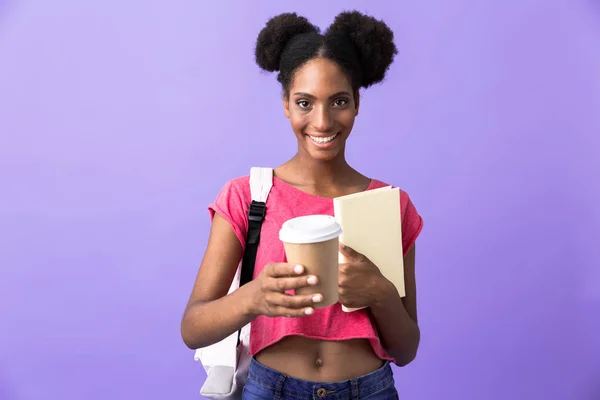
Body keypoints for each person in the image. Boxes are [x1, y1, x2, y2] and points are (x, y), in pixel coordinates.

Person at [181, 10, 424, 400]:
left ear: (357, 102)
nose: (323, 121)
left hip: (370, 391)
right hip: (269, 389)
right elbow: (193, 327)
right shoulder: (247, 196)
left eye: (339, 101)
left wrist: (379, 292)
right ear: (286, 104)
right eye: (305, 102)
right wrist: (254, 297)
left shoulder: (390, 205)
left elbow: (406, 349)